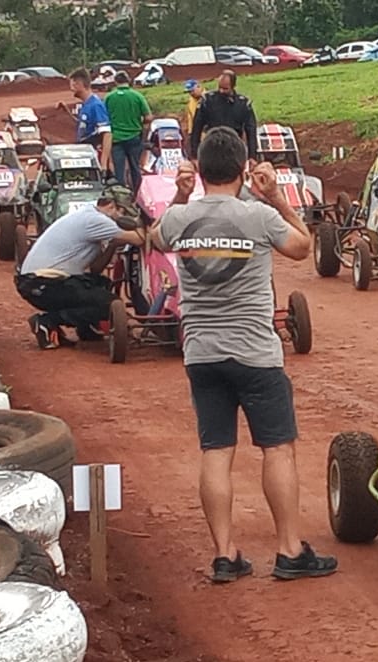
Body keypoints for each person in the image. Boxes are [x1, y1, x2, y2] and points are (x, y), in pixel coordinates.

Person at [151, 127, 336, 583]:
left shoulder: (180, 220)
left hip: (201, 352)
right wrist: (275, 198)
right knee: (277, 448)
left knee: (216, 450)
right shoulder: (256, 216)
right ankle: (290, 550)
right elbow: (302, 247)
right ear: (242, 168)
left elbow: (156, 239)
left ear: (200, 167)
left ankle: (224, 554)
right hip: (254, 352)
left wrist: (179, 195)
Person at [16, 196, 144, 349]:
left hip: (40, 281)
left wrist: (112, 246)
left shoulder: (88, 215)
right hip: (41, 283)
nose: (123, 221)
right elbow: (139, 239)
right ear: (110, 206)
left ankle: (86, 328)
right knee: (108, 302)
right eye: (122, 214)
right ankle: (47, 321)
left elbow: (96, 269)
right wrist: (145, 226)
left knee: (100, 283)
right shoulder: (96, 220)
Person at [189, 70, 257, 161]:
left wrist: (252, 157)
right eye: (220, 87)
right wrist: (195, 155)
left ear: (233, 87)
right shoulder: (208, 101)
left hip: (234, 148)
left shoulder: (243, 104)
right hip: (212, 147)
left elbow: (251, 131)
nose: (221, 91)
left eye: (225, 89)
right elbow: (196, 128)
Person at [104, 71, 152, 193]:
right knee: (135, 167)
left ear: (115, 82)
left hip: (116, 139)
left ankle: (121, 197)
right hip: (134, 136)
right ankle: (138, 194)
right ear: (128, 81)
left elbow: (103, 118)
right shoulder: (137, 96)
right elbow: (148, 117)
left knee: (119, 170)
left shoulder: (109, 97)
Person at [68, 67, 112, 173]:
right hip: (85, 155)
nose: (71, 89)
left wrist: (103, 163)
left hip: (93, 156)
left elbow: (107, 134)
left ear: (78, 84)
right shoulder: (86, 104)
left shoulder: (96, 105)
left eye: (72, 86)